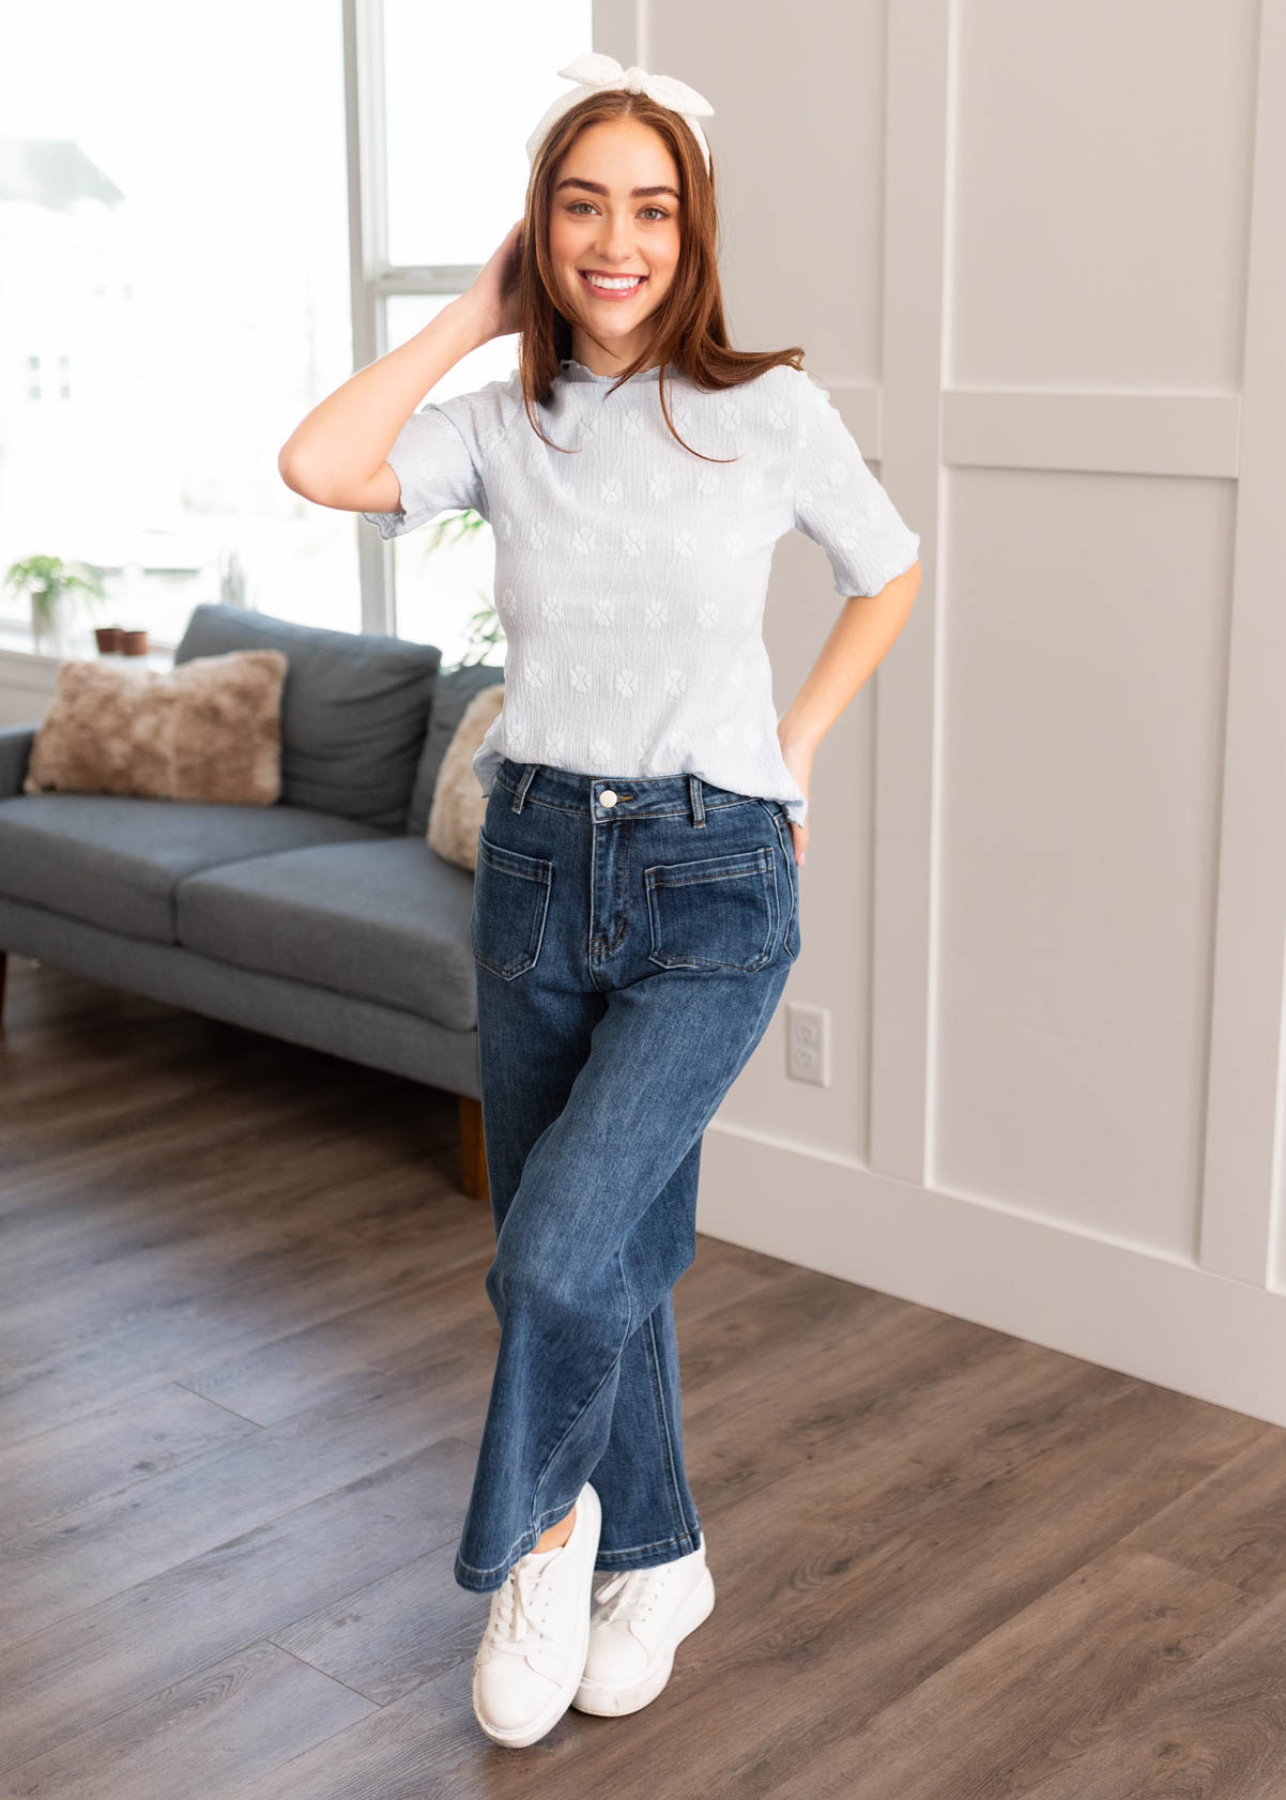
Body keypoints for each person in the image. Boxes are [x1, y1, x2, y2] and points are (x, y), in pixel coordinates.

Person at [278, 51, 922, 1751]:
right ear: (540, 230)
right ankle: (660, 1549)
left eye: (648, 207)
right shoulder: (505, 421)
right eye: (581, 206)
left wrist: (787, 750)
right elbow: (317, 465)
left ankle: (539, 1538)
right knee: (592, 1252)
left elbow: (890, 568)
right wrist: (468, 322)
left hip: (713, 874)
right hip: (541, 862)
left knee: (557, 1253)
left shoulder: (765, 410)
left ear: (690, 228)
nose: (614, 239)